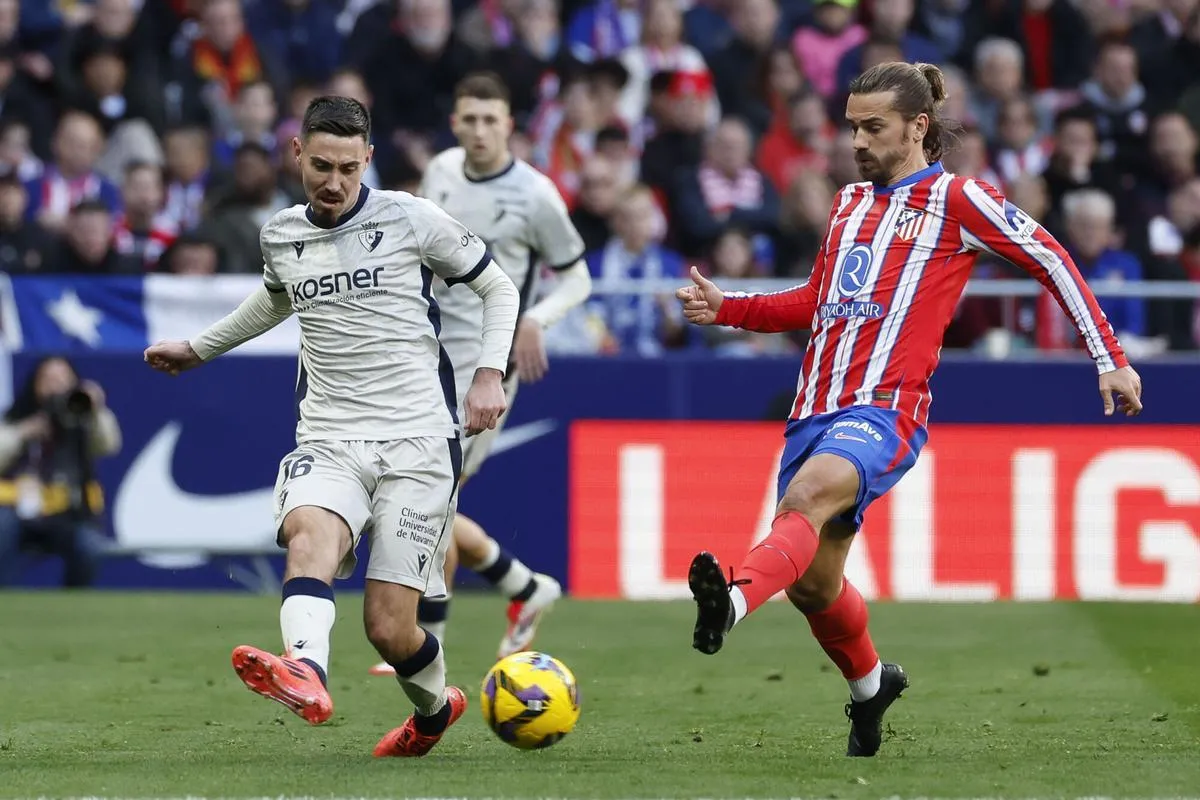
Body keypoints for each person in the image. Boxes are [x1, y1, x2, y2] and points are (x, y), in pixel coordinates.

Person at [675, 61, 1143, 758]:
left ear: (918, 127)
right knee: (814, 586)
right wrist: (731, 308)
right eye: (852, 127)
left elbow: (1050, 256)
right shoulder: (848, 205)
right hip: (813, 409)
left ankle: (734, 600)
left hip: (885, 410)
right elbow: (819, 301)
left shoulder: (959, 200)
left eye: (873, 127)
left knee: (804, 499)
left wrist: (1107, 355)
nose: (857, 142)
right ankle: (871, 688)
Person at [143, 95, 520, 758]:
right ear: (297, 154)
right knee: (308, 535)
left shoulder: (412, 219)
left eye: (349, 167)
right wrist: (201, 348)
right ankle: (307, 672)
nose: (335, 182)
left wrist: (489, 372)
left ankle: (434, 710)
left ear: (368, 158)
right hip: (329, 436)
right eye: (322, 165)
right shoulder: (282, 234)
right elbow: (275, 298)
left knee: (388, 628)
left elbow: (499, 287)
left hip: (418, 443)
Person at [369, 72, 592, 676]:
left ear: (510, 124)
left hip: (489, 367)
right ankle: (522, 585)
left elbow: (578, 275)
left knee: (430, 493)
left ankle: (423, 637)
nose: (478, 131)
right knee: (420, 491)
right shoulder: (441, 172)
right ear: (455, 123)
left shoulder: (536, 195)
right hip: (426, 355)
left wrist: (535, 319)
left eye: (490, 119)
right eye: (468, 119)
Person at [0, 356, 122, 588]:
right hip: (16, 511)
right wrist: (23, 433)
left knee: (88, 545)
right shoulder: (16, 417)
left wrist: (96, 409)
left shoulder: (83, 421)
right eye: (47, 379)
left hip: (69, 512)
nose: (54, 386)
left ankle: (74, 609)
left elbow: (109, 445)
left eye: (61, 379)